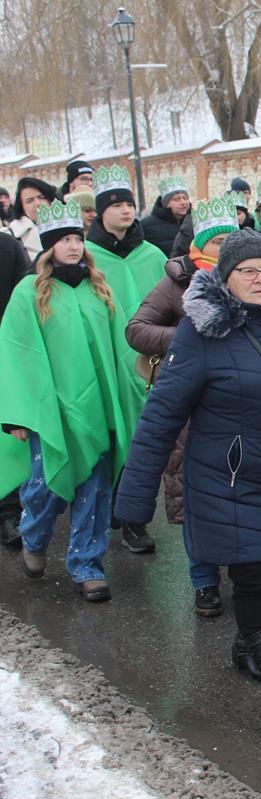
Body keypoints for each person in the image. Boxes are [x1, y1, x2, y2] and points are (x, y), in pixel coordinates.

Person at [116, 228, 261, 729]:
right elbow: (161, 417)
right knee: (256, 580)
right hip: (230, 481)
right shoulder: (200, 336)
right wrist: (134, 498)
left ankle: (247, 647)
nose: (260, 279)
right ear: (225, 277)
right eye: (247, 271)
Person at [0, 198, 144, 602]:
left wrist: (134, 389)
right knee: (46, 488)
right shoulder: (29, 293)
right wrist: (19, 414)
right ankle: (34, 537)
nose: (74, 246)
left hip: (98, 410)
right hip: (52, 412)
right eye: (64, 240)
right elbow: (17, 353)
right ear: (49, 247)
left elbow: (121, 348)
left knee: (95, 491)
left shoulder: (99, 289)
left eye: (78, 239)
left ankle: (87, 565)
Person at [125, 195, 241, 616]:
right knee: (196, 499)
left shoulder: (249, 276)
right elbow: (137, 330)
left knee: (242, 496)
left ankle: (248, 579)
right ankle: (204, 582)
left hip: (239, 402)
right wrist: (189, 338)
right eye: (218, 242)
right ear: (200, 244)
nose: (226, 250)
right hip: (190, 405)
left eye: (232, 241)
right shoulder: (177, 281)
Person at [86, 164, 168, 322]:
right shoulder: (88, 256)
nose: (126, 210)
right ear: (102, 211)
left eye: (130, 205)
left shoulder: (152, 254)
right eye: (117, 205)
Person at [0, 223, 34, 547]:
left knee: (6, 442)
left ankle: (8, 511)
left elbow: (23, 299)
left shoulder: (8, 247)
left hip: (5, 353)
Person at [9, 177, 57, 261]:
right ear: (22, 207)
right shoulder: (11, 235)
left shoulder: (68, 227)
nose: (37, 203)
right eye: (29, 201)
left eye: (41, 197)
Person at [142, 177, 191, 257]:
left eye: (185, 198)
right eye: (177, 199)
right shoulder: (146, 226)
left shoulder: (193, 222)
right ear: (166, 203)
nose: (183, 202)